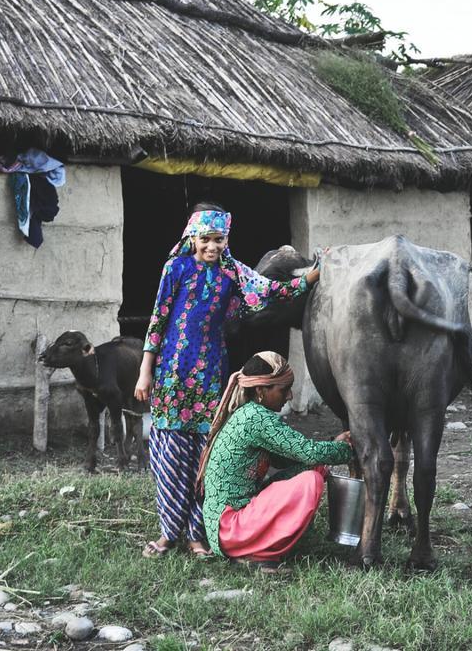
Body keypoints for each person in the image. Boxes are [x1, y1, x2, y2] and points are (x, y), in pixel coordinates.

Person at [134, 204, 320, 558]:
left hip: (210, 375)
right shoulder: (176, 268)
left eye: (219, 240)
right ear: (192, 238)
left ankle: (195, 534)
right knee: (171, 455)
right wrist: (146, 371)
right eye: (206, 239)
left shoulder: (233, 274)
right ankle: (169, 532)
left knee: (204, 455)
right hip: (173, 374)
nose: (212, 247)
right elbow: (157, 321)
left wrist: (310, 279)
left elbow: (271, 291)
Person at [196, 351, 352, 573]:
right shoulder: (257, 418)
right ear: (260, 391)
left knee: (315, 468)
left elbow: (291, 457)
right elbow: (307, 451)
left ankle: (253, 546)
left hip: (227, 527)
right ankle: (254, 553)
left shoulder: (248, 413)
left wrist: (332, 444)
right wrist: (347, 450)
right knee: (311, 480)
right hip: (230, 528)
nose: (289, 396)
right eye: (283, 390)